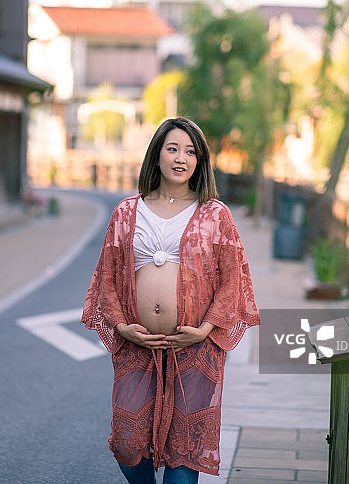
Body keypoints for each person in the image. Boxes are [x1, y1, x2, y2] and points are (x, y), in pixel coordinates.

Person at [82, 117, 260, 484]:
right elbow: (107, 280)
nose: (182, 158)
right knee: (127, 445)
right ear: (157, 155)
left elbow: (233, 280)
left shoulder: (215, 214)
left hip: (196, 350)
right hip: (138, 346)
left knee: (185, 449)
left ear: (200, 161)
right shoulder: (127, 212)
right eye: (173, 148)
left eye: (191, 151)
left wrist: (205, 330)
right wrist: (121, 327)